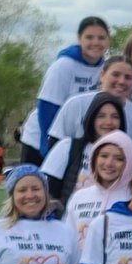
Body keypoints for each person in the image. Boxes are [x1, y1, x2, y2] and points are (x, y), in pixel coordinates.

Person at [19, 16, 110, 163]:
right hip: (40, 139)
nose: (96, 42)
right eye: (89, 37)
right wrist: (47, 144)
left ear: (108, 40)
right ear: (79, 39)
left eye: (101, 38)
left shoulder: (105, 68)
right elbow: (47, 106)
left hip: (71, 140)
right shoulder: (63, 66)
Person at [42, 92, 127, 206]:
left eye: (115, 117)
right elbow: (47, 190)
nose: (108, 122)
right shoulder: (68, 147)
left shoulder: (127, 153)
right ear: (91, 118)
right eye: (101, 116)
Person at [47, 57, 132, 150]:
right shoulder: (76, 104)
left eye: (128, 77)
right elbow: (55, 143)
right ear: (102, 75)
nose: (121, 81)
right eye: (115, 75)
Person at [62, 129, 132, 249]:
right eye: (104, 156)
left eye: (118, 159)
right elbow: (67, 239)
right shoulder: (79, 196)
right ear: (94, 159)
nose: (109, 163)